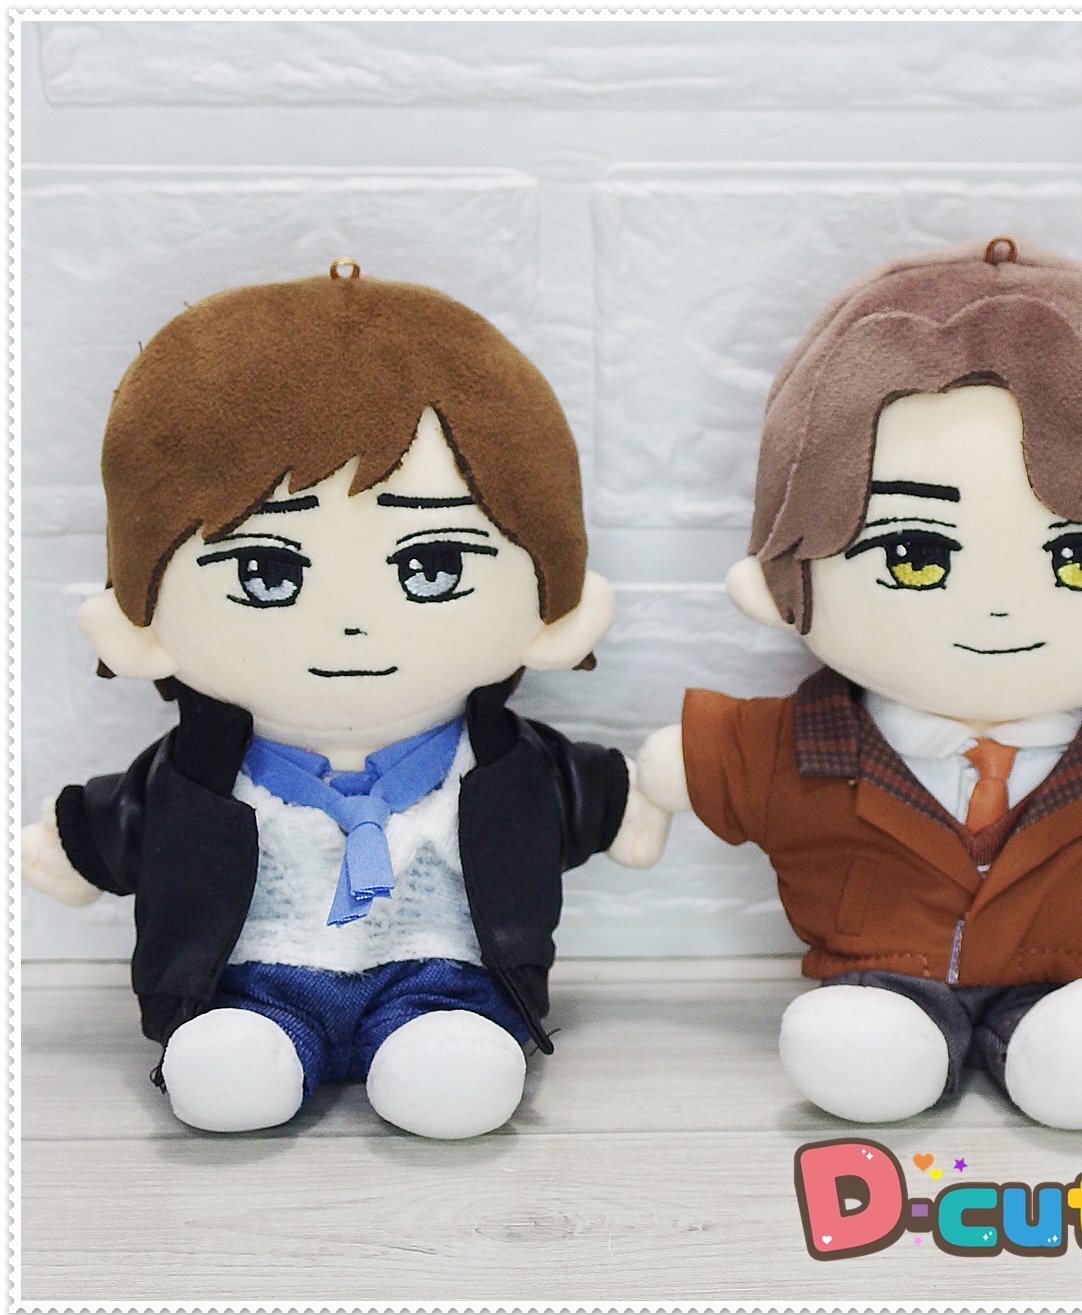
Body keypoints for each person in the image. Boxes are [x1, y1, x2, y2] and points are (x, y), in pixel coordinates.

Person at [639, 237, 1082, 1130]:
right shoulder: (794, 746)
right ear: (786, 578)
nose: (997, 607)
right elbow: (677, 768)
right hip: (878, 978)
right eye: (913, 555)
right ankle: (888, 1041)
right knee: (864, 1042)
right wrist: (638, 796)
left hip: (1070, 982)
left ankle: (1070, 1045)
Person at [22, 262, 670, 1139]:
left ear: (550, 608)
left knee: (451, 1065)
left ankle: (439, 1051)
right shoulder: (201, 776)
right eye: (266, 571)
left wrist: (631, 800)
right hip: (251, 980)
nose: (353, 624)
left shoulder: (502, 764)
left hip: (447, 978)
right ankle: (247, 1053)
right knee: (229, 1068)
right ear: (141, 622)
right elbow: (133, 820)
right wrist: (72, 841)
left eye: (432, 566)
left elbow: (574, 795)